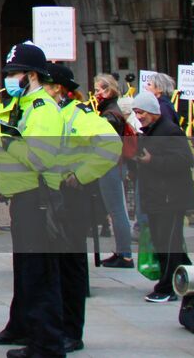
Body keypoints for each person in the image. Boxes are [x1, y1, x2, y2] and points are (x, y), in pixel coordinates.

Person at [0, 43, 67, 358]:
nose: (8, 78)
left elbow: (40, 156)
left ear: (31, 75)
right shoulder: (21, 106)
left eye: (14, 73)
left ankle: (46, 342)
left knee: (40, 272)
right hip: (22, 196)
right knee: (25, 267)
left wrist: (9, 143)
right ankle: (20, 324)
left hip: (39, 197)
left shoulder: (43, 109)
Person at [46, 64, 120, 353]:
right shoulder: (48, 114)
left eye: (48, 85)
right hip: (51, 195)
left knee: (71, 266)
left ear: (60, 89)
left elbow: (110, 146)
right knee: (54, 266)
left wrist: (82, 176)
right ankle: (54, 325)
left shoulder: (79, 114)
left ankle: (71, 331)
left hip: (72, 197)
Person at [131, 89, 193, 303]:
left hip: (170, 198)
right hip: (157, 197)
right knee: (163, 241)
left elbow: (184, 160)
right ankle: (190, 279)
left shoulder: (169, 130)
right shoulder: (150, 131)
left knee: (168, 243)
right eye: (136, 112)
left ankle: (168, 286)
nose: (139, 116)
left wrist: (152, 161)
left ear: (152, 111)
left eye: (142, 112)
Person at [93, 74, 134, 268]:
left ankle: (125, 254)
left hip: (111, 165)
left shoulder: (110, 114)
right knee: (115, 210)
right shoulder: (110, 110)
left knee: (117, 211)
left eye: (98, 90)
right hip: (113, 165)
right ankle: (121, 251)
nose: (96, 94)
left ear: (108, 90)